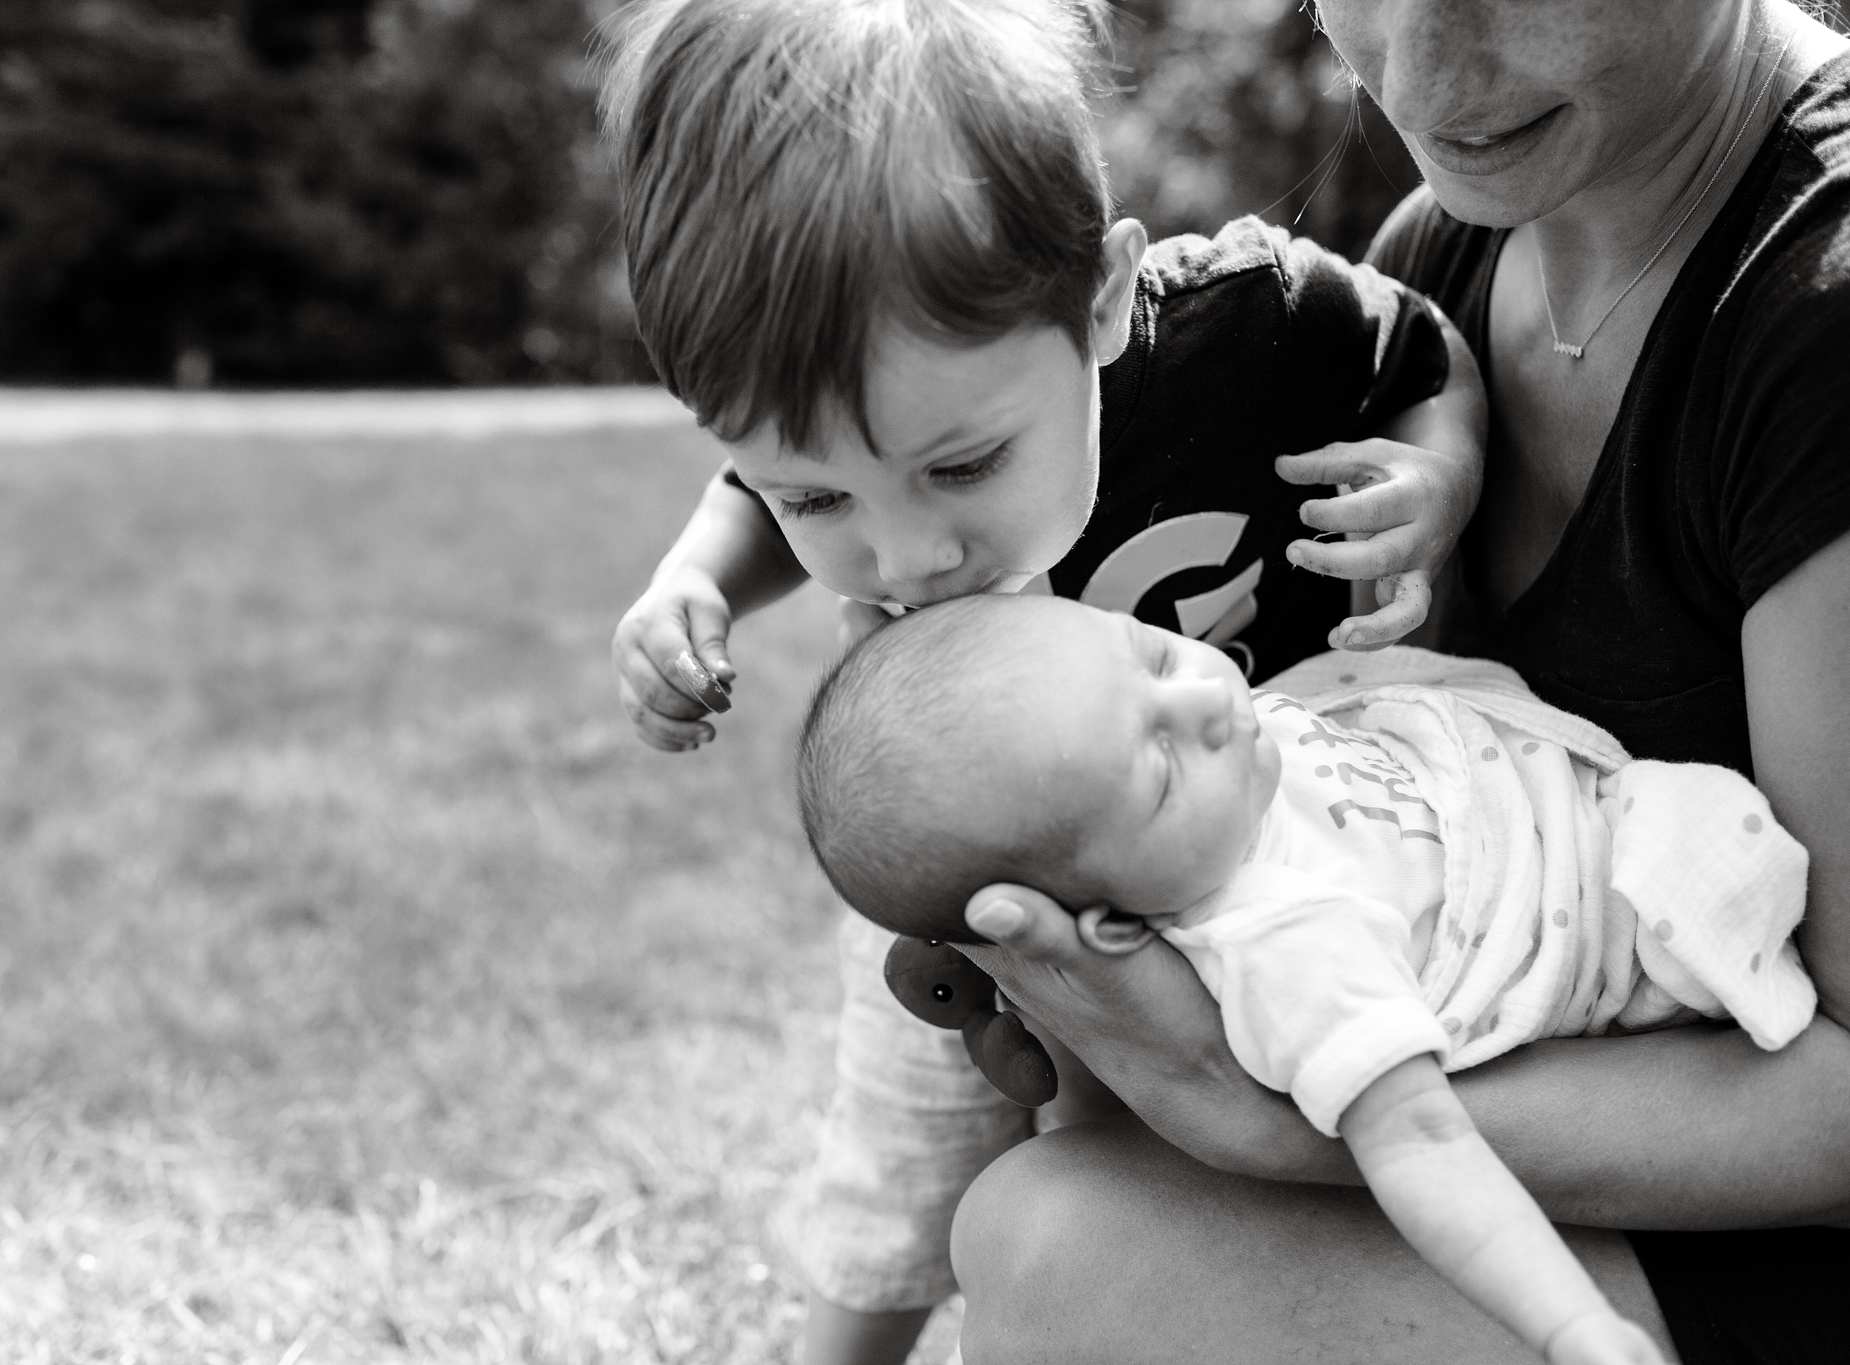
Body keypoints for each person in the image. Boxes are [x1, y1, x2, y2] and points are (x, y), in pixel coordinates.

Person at [949, 3, 1850, 1362]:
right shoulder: (1445, 249)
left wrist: (1266, 1108)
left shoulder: (1818, 314)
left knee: (1070, 1250)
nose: (1420, 81)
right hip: (1583, 1165)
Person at [597, 1, 1490, 1358]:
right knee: (907, 1156)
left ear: (1105, 301)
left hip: (1245, 859)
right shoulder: (894, 432)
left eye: (961, 467)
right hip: (975, 888)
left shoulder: (1247, 325)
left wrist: (1440, 474)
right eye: (818, 493)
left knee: (1172, 1177)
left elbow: (1417, 347)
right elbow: (738, 490)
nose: (907, 554)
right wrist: (696, 584)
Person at [796, 590, 1821, 1360]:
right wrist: (1567, 1327)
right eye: (1158, 768)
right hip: (1671, 910)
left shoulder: (1218, 769)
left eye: (1149, 654)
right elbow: (1427, 1150)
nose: (1200, 701)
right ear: (1108, 923)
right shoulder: (1285, 943)